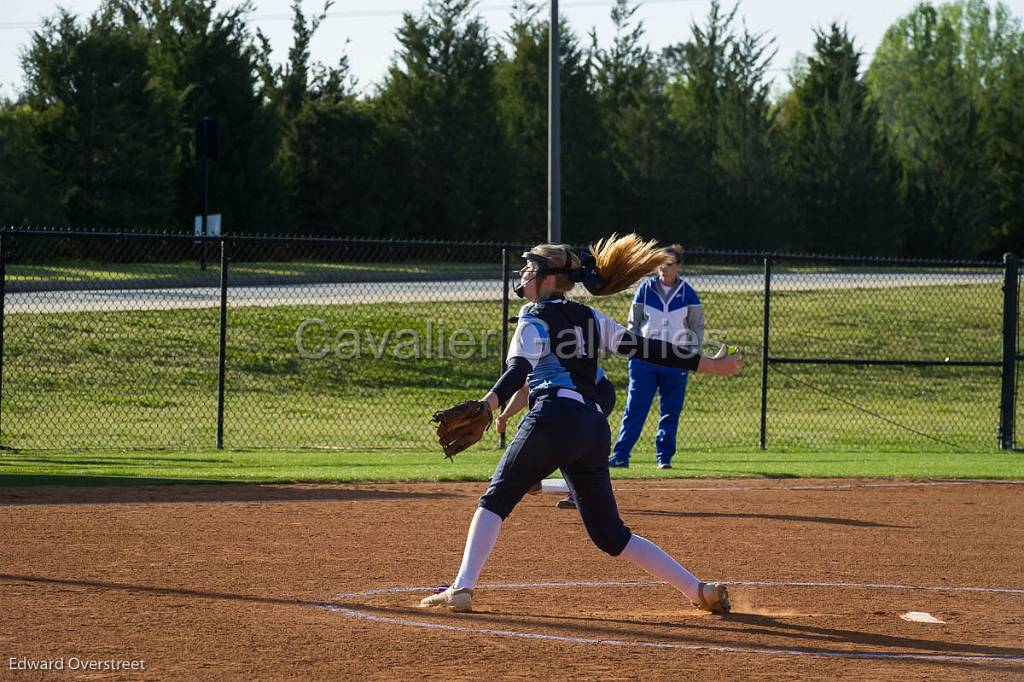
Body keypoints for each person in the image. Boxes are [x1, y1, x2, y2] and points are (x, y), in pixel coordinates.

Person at [420, 234, 743, 615]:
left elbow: (518, 369)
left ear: (547, 278)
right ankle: (697, 590)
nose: (523, 274)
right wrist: (711, 365)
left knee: (495, 500)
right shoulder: (590, 317)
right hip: (592, 429)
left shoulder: (533, 316)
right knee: (611, 535)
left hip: (554, 417)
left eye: (529, 268)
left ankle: (462, 588)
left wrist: (488, 405)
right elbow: (646, 348)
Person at [609, 244, 703, 469]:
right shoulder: (645, 289)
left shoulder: (688, 293)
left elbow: (696, 327)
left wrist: (692, 356)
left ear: (678, 267)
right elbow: (634, 324)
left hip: (676, 359)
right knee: (635, 408)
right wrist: (632, 350)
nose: (663, 269)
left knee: (671, 410)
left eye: (669, 264)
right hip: (645, 360)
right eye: (660, 264)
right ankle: (621, 455)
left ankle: (664, 457)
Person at [497, 367, 617, 510]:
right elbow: (524, 389)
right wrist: (505, 415)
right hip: (566, 399)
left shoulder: (545, 348)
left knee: (566, 437)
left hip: (595, 391)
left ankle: (577, 492)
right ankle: (539, 479)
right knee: (539, 429)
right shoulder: (529, 356)